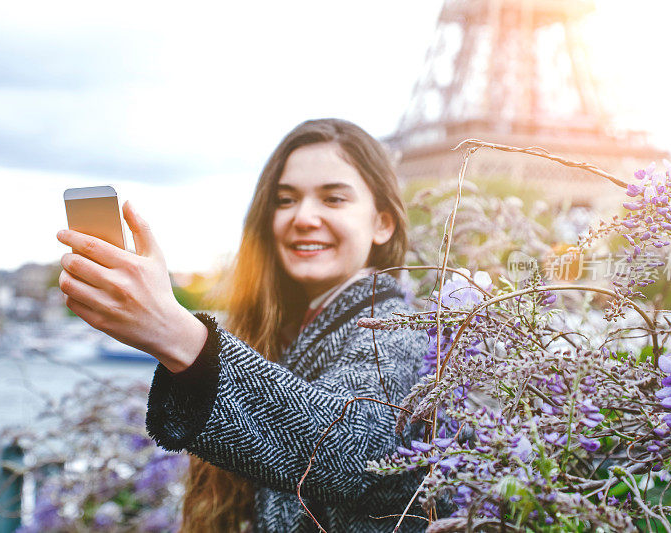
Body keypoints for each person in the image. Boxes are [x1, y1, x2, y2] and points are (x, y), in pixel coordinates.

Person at [56, 118, 428, 532]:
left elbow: (357, 452)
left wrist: (180, 336)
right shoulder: (285, 331)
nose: (303, 217)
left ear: (383, 223)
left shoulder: (402, 329)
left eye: (334, 199)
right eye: (285, 200)